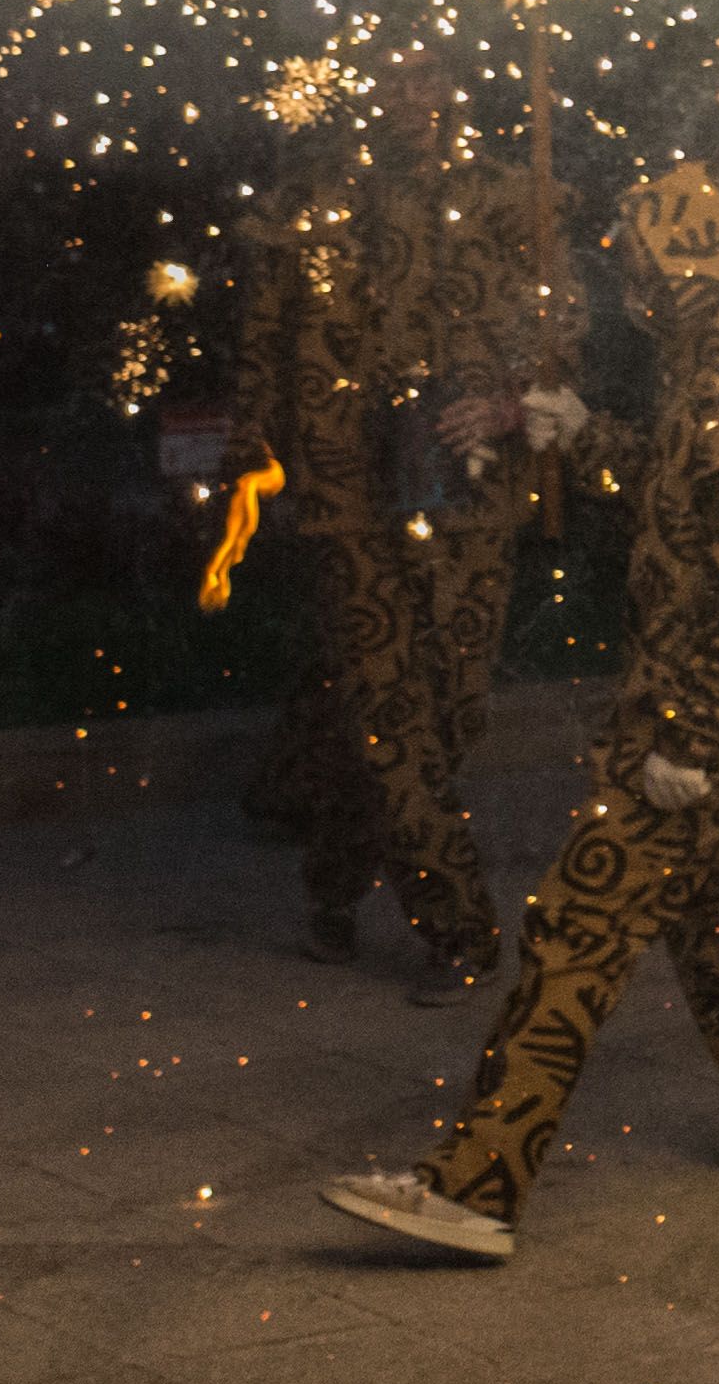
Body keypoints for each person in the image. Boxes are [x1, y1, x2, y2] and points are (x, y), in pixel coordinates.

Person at [317, 161, 719, 1261]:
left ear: (690, 278)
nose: (635, 289)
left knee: (576, 928)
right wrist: (585, 433)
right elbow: (693, 503)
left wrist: (692, 741)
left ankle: (475, 1187)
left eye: (650, 267)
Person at [226, 54, 563, 992]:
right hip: (348, 497)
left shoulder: (508, 192)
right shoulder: (309, 196)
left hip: (468, 491)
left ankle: (333, 874)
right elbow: (261, 344)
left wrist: (511, 404)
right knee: (387, 712)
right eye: (393, 76)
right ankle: (459, 928)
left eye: (428, 75)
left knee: (448, 711)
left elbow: (558, 324)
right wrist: (251, 475)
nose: (412, 95)